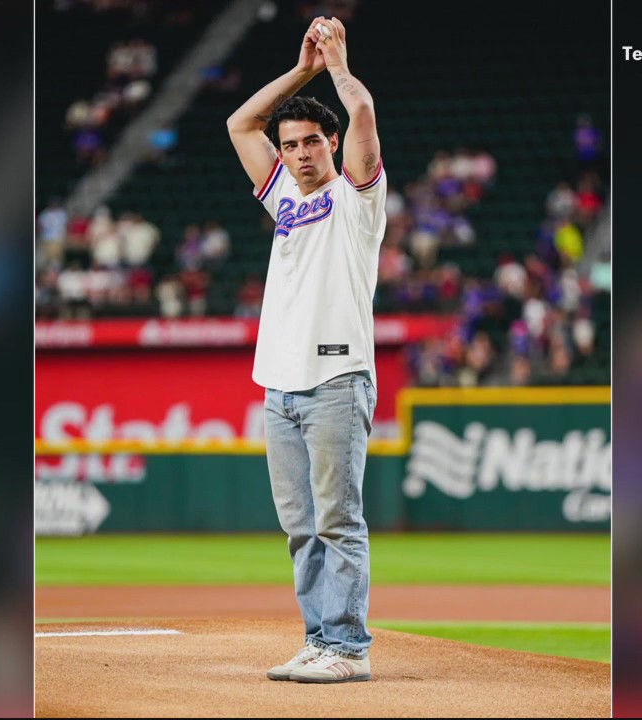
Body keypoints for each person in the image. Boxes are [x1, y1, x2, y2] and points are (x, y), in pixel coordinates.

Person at [226, 15, 384, 684]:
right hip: (281, 384)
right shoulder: (286, 196)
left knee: (337, 520)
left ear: (333, 144)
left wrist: (339, 69)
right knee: (301, 526)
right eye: (289, 145)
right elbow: (239, 124)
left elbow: (366, 112)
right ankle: (319, 639)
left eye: (310, 142)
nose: (297, 154)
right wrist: (302, 72)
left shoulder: (356, 199)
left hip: (336, 377)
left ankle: (349, 650)